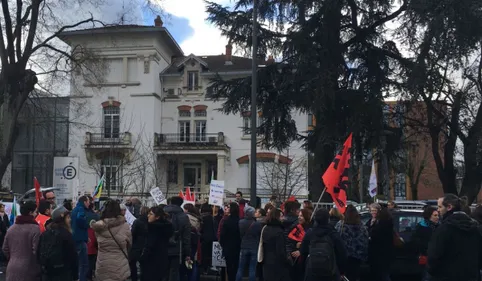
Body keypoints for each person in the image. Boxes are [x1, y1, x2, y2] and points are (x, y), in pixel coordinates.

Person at [428, 194, 481, 281]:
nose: (438, 210)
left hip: (446, 276)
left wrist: (434, 273)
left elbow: (434, 255)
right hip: (471, 276)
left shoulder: (444, 229)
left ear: (449, 207)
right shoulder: (475, 228)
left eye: (440, 207)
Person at [300, 208, 347, 281]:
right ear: (328, 219)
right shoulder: (333, 234)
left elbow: (303, 252)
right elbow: (342, 253)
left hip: (312, 272)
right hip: (331, 272)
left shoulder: (310, 233)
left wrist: (304, 270)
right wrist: (341, 271)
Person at [91, 200, 131, 281]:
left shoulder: (98, 227)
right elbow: (129, 244)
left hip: (103, 264)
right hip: (120, 265)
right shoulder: (125, 226)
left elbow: (95, 243)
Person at [3, 200, 41, 281]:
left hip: (11, 268)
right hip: (29, 269)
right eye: (35, 212)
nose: (36, 214)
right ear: (31, 213)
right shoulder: (35, 228)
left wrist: (13, 257)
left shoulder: (11, 228)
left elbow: (5, 248)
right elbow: (36, 249)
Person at [38, 206, 78, 281]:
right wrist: (75, 276)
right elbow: (73, 256)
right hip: (63, 273)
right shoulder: (66, 234)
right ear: (62, 219)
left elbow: (39, 252)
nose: (70, 220)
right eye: (68, 217)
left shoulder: (45, 233)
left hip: (48, 273)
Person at [335, 205, 368, 281]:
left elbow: (336, 238)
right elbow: (365, 241)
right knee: (354, 276)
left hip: (343, 257)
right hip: (357, 258)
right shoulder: (361, 226)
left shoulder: (341, 225)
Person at [140, 206, 173, 281]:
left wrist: (142, 257)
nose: (148, 215)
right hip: (162, 259)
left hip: (151, 260)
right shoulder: (166, 227)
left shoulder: (153, 228)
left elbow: (149, 245)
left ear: (157, 217)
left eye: (151, 214)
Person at [164, 196, 191, 281]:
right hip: (177, 248)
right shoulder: (184, 216)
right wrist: (187, 252)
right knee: (174, 272)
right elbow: (186, 236)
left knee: (163, 272)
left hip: (162, 247)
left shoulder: (161, 214)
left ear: (170, 202)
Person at [260, 208, 291, 281]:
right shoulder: (279, 231)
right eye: (281, 216)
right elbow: (280, 251)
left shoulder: (265, 228)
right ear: (276, 217)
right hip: (277, 264)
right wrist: (287, 261)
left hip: (266, 261)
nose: (283, 218)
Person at [411, 206, 439, 281]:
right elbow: (416, 242)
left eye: (438, 215)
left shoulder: (439, 226)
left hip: (437, 257)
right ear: (429, 216)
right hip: (426, 256)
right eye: (435, 215)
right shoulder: (421, 227)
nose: (437, 217)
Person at [236, 206, 262, 281]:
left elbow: (240, 234)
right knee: (252, 268)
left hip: (244, 246)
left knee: (240, 267)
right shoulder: (257, 224)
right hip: (254, 246)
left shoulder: (241, 222)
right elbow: (259, 234)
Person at [367, 208, 394, 281]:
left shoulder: (380, 225)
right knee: (385, 272)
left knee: (380, 273)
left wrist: (372, 226)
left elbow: (373, 236)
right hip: (387, 252)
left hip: (378, 253)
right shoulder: (389, 224)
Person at [288, 208, 313, 281]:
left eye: (301, 216)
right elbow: (290, 241)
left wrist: (302, 247)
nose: (299, 217)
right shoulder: (295, 228)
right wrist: (295, 245)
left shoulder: (312, 229)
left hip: (308, 260)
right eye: (299, 215)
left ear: (307, 216)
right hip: (297, 262)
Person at [71, 196, 91, 281]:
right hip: (80, 239)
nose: (89, 204)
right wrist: (87, 224)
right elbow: (80, 219)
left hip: (77, 238)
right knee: (83, 263)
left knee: (79, 263)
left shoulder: (75, 209)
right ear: (85, 202)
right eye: (88, 201)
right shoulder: (81, 209)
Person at [219, 202, 241, 281]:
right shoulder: (240, 220)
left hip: (228, 247)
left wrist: (222, 245)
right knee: (236, 266)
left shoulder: (227, 221)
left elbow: (222, 235)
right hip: (237, 247)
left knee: (229, 267)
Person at [130, 206, 149, 281]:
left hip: (136, 245)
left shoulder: (137, 221)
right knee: (144, 265)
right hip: (146, 245)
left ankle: (134, 278)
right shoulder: (150, 222)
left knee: (133, 264)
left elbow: (133, 233)